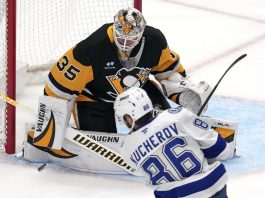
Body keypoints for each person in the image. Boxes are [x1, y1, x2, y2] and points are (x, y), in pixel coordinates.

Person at [42, 7, 211, 134]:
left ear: (141, 34)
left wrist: (183, 94)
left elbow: (167, 72)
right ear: (114, 29)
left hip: (139, 94)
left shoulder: (154, 40)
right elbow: (59, 87)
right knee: (103, 149)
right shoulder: (90, 49)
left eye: (130, 40)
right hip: (94, 99)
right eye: (120, 37)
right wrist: (51, 124)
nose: (124, 44)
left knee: (162, 131)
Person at [114, 87, 229, 198]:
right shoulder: (176, 115)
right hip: (211, 185)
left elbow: (147, 175)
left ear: (129, 117)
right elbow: (219, 148)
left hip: (175, 194)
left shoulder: (126, 149)